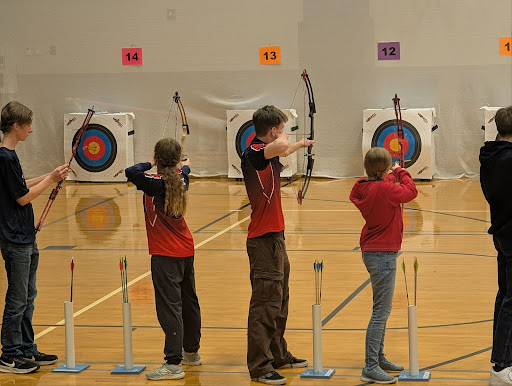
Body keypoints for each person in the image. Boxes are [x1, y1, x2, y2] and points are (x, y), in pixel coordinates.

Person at [241, 105, 312, 385]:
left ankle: (277, 353)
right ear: (272, 131)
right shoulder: (254, 153)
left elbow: (283, 147)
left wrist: (301, 144)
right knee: (265, 305)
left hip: (276, 238)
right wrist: (286, 141)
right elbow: (278, 146)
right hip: (263, 240)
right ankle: (260, 367)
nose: (283, 134)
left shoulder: (266, 149)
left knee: (280, 300)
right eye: (280, 128)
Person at [0, 101, 69, 373]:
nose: (31, 128)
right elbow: (22, 197)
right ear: (15, 126)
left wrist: (51, 175)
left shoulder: (10, 156)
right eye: (27, 124)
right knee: (17, 299)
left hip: (25, 236)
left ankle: (26, 348)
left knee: (28, 296)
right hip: (14, 238)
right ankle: (8, 354)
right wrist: (50, 179)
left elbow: (21, 183)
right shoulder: (4, 157)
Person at [125, 138, 201, 381]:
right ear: (177, 160)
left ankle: (173, 364)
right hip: (186, 250)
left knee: (170, 308)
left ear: (158, 158)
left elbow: (131, 172)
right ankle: (191, 353)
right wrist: (184, 164)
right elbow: (184, 169)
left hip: (166, 254)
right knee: (189, 302)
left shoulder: (154, 183)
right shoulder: (182, 177)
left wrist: (151, 161)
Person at [349, 147, 418, 384]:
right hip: (384, 255)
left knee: (381, 310)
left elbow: (382, 183)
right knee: (380, 313)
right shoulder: (387, 189)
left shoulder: (364, 187)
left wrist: (392, 171)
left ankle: (378, 357)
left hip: (372, 251)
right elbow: (411, 192)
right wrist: (402, 172)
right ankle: (370, 366)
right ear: (384, 169)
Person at [479, 105, 512, 386]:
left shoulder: (491, 155)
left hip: (502, 232)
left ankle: (503, 361)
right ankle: (501, 367)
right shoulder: (508, 160)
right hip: (511, 232)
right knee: (511, 300)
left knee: (505, 296)